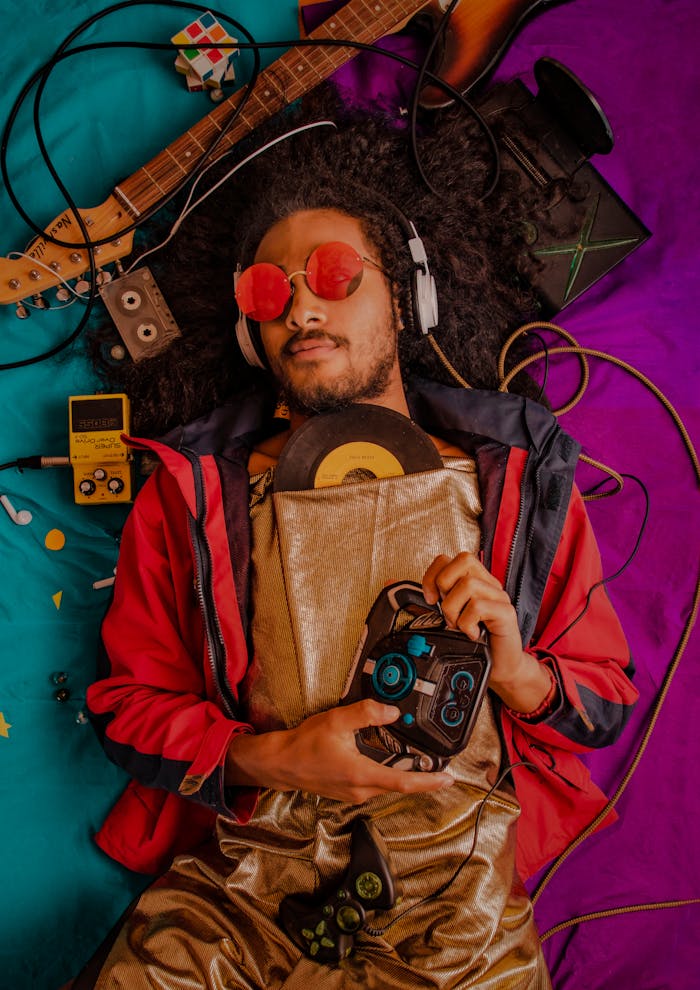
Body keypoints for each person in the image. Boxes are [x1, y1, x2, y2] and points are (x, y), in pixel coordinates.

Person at [79, 90, 638, 988]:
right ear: (250, 332)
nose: (301, 307)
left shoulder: (518, 476)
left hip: (459, 906)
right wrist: (265, 756)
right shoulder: (191, 492)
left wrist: (520, 672)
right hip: (241, 897)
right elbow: (126, 705)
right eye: (270, 292)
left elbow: (604, 700)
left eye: (335, 273)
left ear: (408, 293)